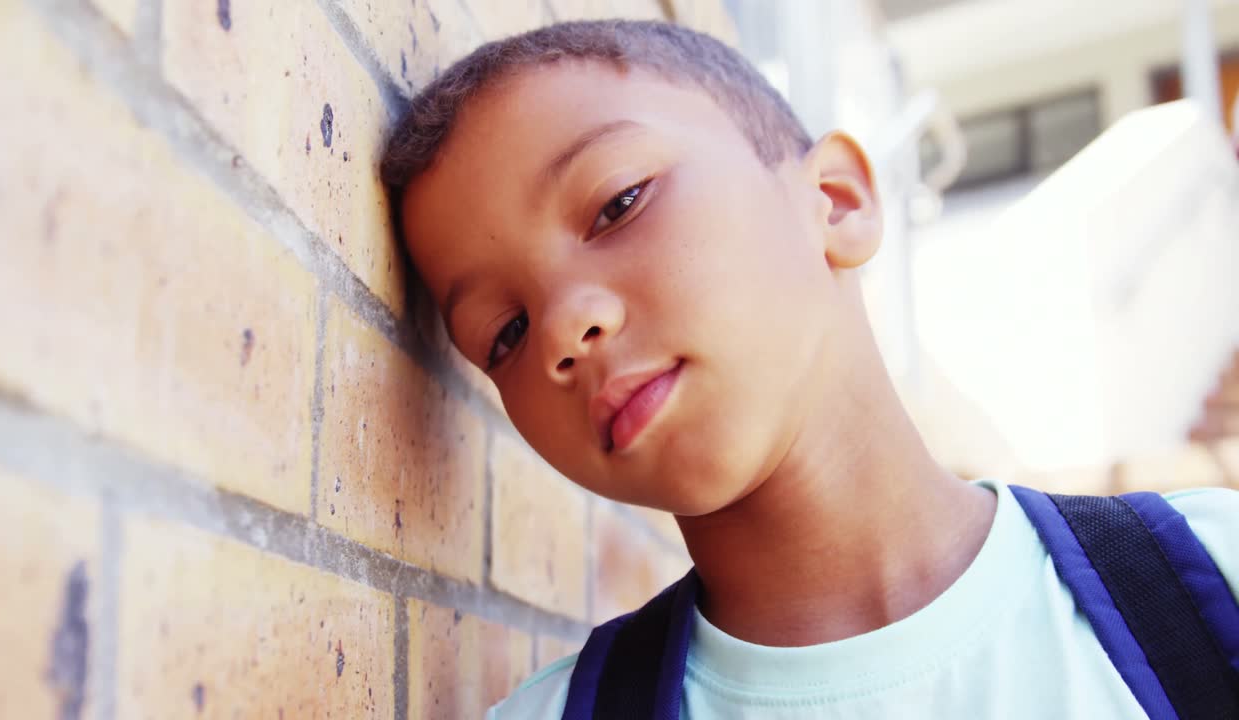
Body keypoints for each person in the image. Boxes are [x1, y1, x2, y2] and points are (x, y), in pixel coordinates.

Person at [383, 20, 1239, 719]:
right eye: (506, 333)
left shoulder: (1211, 578)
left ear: (835, 200)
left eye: (617, 204)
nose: (566, 331)